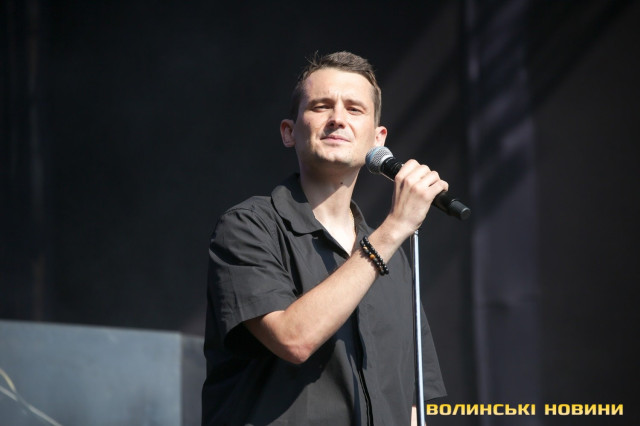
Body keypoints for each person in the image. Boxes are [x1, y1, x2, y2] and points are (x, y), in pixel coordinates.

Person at [202, 51, 447, 425]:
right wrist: (395, 228)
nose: (338, 119)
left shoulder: (393, 258)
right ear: (289, 131)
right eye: (321, 106)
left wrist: (390, 238)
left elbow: (410, 402)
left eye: (354, 109)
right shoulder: (248, 226)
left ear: (378, 139)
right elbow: (293, 339)